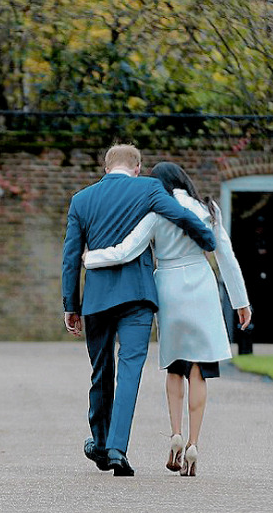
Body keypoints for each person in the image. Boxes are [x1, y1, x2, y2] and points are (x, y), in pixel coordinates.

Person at [84, 161, 251, 476]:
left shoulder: (154, 213)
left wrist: (91, 258)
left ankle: (174, 434)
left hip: (169, 287)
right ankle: (193, 444)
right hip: (201, 283)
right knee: (199, 368)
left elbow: (124, 251)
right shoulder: (207, 208)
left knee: (175, 366)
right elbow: (225, 256)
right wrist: (240, 302)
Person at [62, 145, 216, 477]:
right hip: (138, 296)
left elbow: (71, 257)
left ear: (105, 168)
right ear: (138, 167)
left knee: (101, 370)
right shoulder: (148, 188)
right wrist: (206, 237)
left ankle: (100, 443)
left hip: (98, 299)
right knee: (130, 370)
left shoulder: (81, 200)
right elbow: (179, 215)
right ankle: (118, 449)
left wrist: (70, 306)